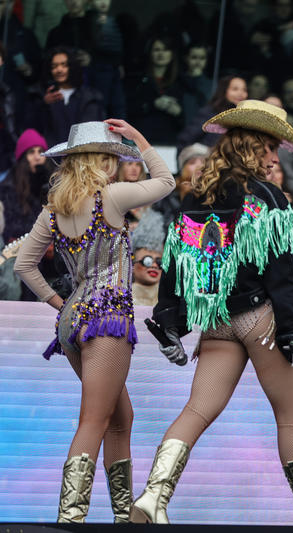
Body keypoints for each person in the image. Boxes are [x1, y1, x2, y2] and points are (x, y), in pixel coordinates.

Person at [131, 100, 293, 526]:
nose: (276, 159)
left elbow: (177, 265)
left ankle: (153, 495)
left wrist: (170, 321)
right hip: (260, 318)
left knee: (196, 410)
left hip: (215, 321)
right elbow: (284, 271)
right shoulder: (268, 199)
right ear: (253, 148)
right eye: (270, 149)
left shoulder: (197, 197)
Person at [13, 119, 175, 522]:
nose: (119, 165)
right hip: (107, 320)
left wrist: (60, 303)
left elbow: (23, 266)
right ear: (102, 160)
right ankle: (70, 517)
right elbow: (167, 181)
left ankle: (123, 515)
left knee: (121, 418)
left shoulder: (53, 211)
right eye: (115, 157)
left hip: (73, 321)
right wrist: (139, 138)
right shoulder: (113, 197)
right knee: (95, 421)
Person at [29, 47, 105, 146]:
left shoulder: (88, 96)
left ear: (72, 67)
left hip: (81, 154)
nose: (59, 70)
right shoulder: (40, 94)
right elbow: (32, 129)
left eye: (64, 65)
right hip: (51, 156)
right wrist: (44, 104)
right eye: (54, 66)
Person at [0, 129, 52, 243]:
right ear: (23, 157)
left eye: (41, 151)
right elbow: (12, 229)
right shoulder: (9, 187)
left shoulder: (52, 182)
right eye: (31, 152)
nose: (37, 157)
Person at [177, 75, 248, 153]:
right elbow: (185, 141)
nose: (241, 93)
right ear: (224, 91)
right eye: (235, 89)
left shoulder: (246, 118)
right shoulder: (210, 113)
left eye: (244, 90)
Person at [130, 210, 165, 307]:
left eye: (159, 262)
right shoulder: (123, 299)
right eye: (147, 261)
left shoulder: (169, 301)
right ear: (132, 265)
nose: (154, 266)